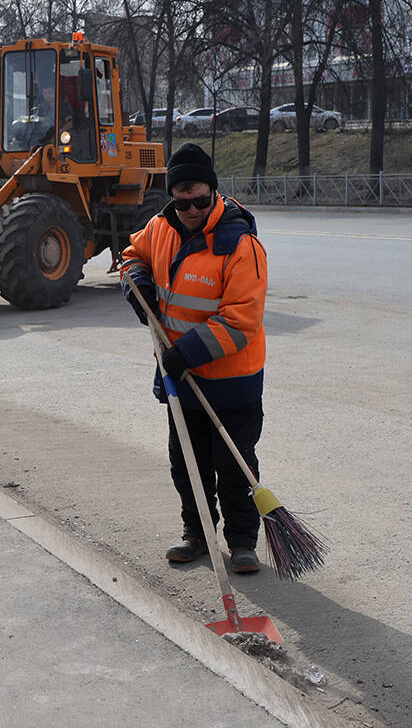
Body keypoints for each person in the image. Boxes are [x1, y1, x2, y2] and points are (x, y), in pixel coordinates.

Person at [120, 143, 269, 574]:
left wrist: (186, 351)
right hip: (180, 379)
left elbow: (241, 320)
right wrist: (139, 287)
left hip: (231, 380)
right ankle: (198, 534)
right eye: (181, 201)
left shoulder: (240, 245)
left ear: (214, 193)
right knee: (187, 463)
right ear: (172, 197)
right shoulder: (160, 228)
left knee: (234, 467)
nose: (190, 210)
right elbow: (131, 258)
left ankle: (242, 543)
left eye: (200, 201)